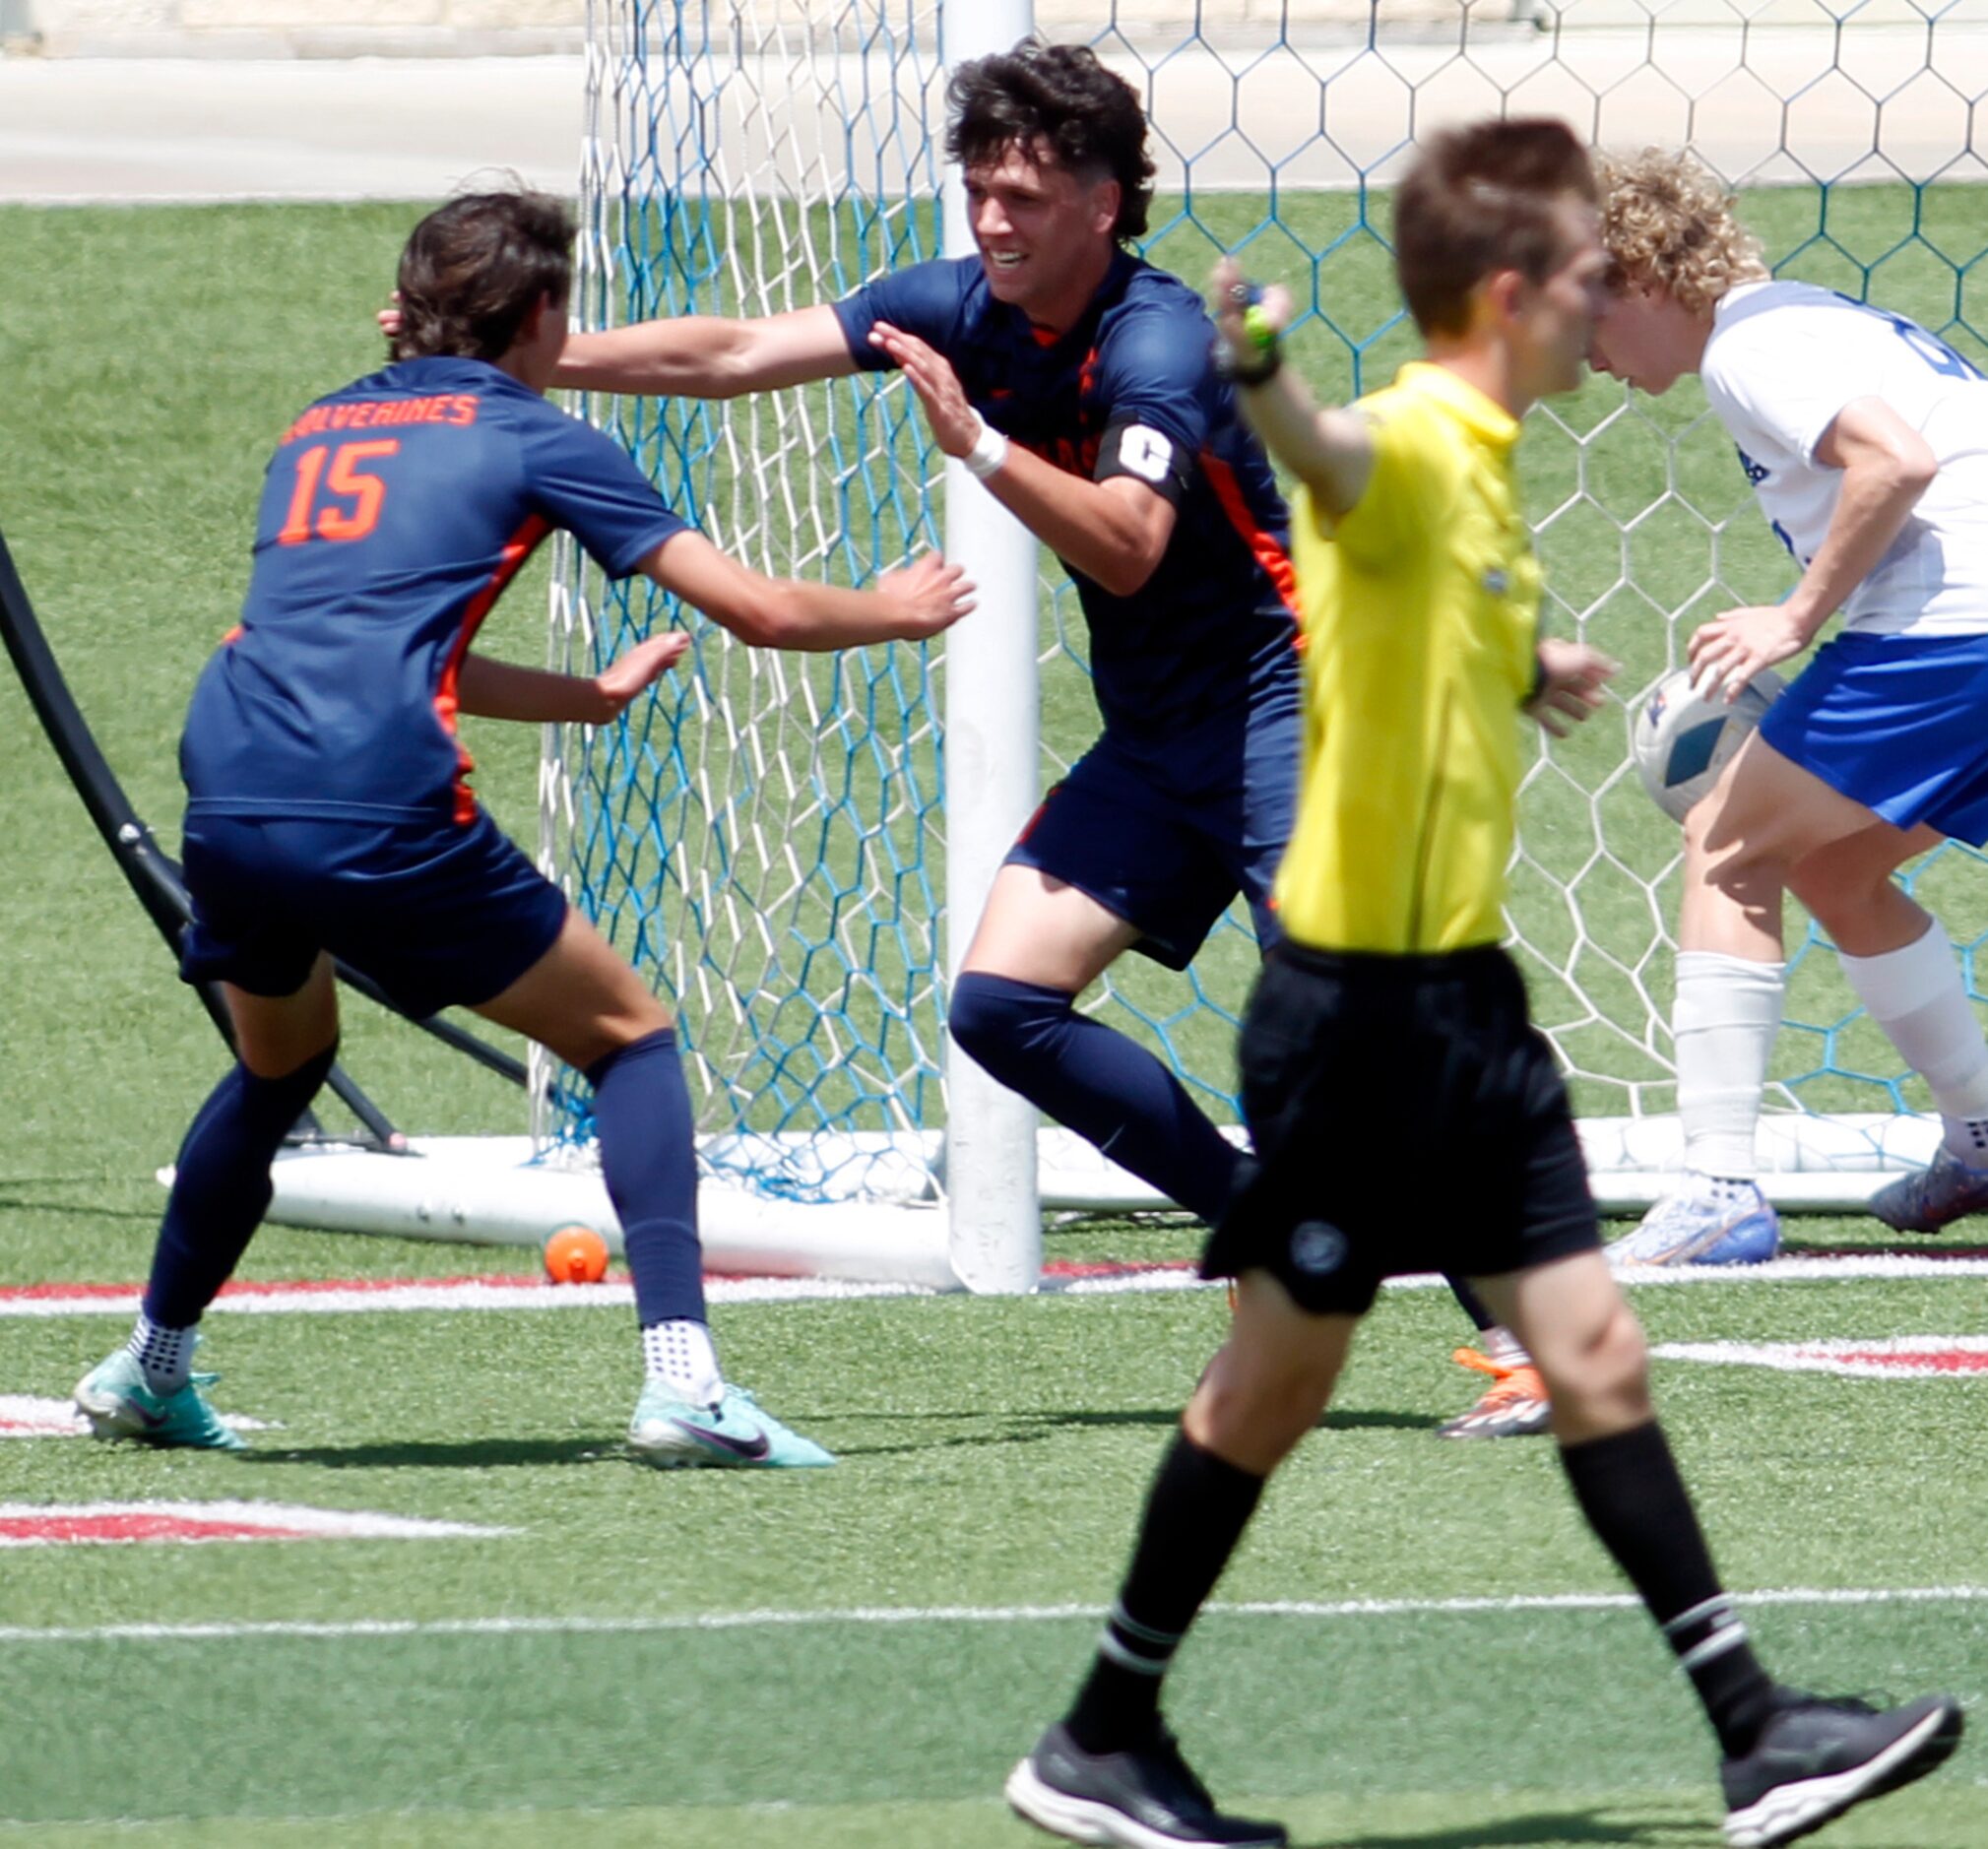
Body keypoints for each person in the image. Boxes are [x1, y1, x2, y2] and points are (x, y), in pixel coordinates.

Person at [1004, 120, 1961, 1849]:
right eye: (1585, 284)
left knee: (1591, 1352)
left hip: (1460, 1005)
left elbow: (1430, 584)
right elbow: (1335, 461)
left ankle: (1753, 1735)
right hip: (1353, 1014)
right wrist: (1268, 370)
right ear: (1512, 294)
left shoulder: (1492, 463)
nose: (1612, 308)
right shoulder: (1421, 437)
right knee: (1272, 1390)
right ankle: (1099, 1730)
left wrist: (1529, 659)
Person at [492, 36, 1557, 1438]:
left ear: (1106, 203)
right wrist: (541, 356)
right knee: (1000, 1003)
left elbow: (1127, 547)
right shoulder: (962, 306)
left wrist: (981, 452)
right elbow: (741, 350)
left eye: (1026, 196)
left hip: (1301, 712)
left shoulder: (1156, 342)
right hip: (1162, 737)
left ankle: (1534, 1338)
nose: (991, 219)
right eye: (979, 188)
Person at [73, 187, 973, 1469]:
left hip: (229, 779)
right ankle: (686, 1384)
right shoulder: (538, 437)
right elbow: (761, 612)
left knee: (280, 1066)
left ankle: (150, 1365)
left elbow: (359, 639)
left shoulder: (315, 425)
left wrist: (585, 700)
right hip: (375, 795)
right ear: (543, 312)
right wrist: (891, 608)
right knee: (630, 1036)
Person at [1589, 149, 1988, 1263]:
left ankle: (1717, 1185)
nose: (1585, 353)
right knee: (1835, 868)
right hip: (1968, 626)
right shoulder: (1810, 318)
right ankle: (1982, 1137)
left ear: (1639, 275)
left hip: (1950, 626)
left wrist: (1791, 620)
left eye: (1587, 314)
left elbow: (1894, 464)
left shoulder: (1749, 348)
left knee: (1727, 847)